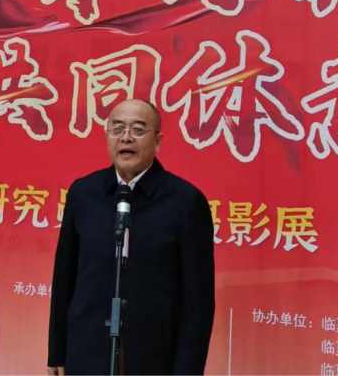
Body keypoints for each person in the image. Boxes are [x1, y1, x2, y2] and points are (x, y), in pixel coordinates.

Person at [47, 99, 215, 376]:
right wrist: (57, 351)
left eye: (138, 130)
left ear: (157, 141)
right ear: (107, 136)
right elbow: (64, 278)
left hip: (153, 358)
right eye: (117, 129)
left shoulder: (186, 202)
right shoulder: (83, 193)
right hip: (85, 354)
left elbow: (198, 304)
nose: (126, 137)